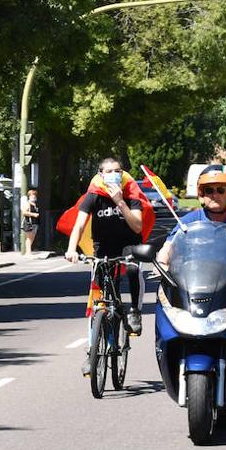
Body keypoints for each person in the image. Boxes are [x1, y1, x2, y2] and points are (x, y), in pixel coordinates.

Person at [64, 158, 147, 370]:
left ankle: (135, 311)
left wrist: (120, 201)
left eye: (118, 171)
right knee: (98, 300)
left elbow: (137, 227)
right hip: (104, 248)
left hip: (128, 245)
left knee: (132, 268)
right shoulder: (94, 194)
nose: (114, 174)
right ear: (101, 174)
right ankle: (92, 350)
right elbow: (80, 224)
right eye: (109, 171)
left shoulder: (131, 193)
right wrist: (71, 249)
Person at [20, 188, 40, 257]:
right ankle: (28, 252)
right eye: (32, 196)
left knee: (32, 237)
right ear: (29, 196)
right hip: (29, 222)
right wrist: (33, 214)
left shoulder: (35, 205)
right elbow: (24, 212)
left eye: (34, 196)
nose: (33, 197)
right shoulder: (28, 204)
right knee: (29, 238)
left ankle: (29, 251)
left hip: (35, 223)